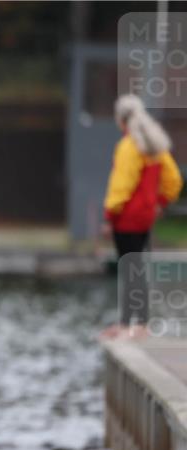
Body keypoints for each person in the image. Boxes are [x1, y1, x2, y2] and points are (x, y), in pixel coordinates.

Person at [101, 94, 183, 339]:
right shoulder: (154, 144)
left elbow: (121, 187)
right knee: (138, 269)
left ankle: (127, 325)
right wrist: (159, 203)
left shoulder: (129, 146)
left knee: (129, 270)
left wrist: (109, 216)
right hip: (145, 218)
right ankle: (142, 324)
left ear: (120, 120)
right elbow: (174, 181)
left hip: (126, 220)